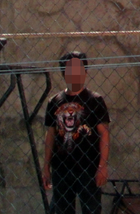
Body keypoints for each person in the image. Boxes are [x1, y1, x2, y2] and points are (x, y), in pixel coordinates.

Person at [43, 51, 111, 214]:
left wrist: (102, 165)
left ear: (85, 71)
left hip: (88, 168)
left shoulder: (95, 100)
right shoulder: (54, 102)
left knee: (92, 209)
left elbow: (104, 134)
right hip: (61, 168)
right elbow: (51, 135)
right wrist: (46, 166)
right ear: (63, 73)